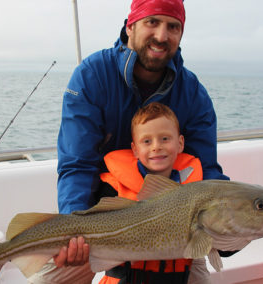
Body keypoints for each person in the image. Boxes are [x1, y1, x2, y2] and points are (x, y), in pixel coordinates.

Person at [55, 0, 228, 276]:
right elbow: (78, 164)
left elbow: (206, 172)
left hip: (175, 227)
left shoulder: (193, 93)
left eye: (173, 26)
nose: (162, 36)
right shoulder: (91, 76)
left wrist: (232, 224)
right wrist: (74, 229)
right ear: (130, 26)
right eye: (152, 22)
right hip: (102, 222)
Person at [98, 102, 209, 284]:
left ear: (180, 143)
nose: (156, 147)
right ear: (135, 149)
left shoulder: (194, 187)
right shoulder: (112, 188)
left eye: (165, 139)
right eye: (147, 141)